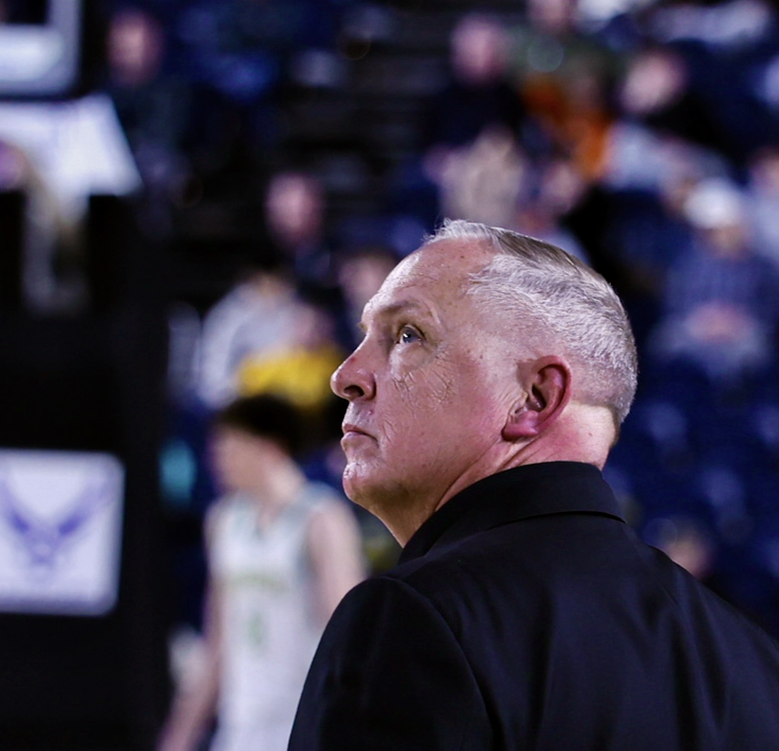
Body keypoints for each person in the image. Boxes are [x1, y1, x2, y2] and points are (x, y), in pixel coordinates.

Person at [289, 220, 779, 750]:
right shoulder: (754, 660)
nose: (345, 375)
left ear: (535, 399)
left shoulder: (412, 618)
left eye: (409, 335)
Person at [158, 394, 364, 751]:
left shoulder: (321, 518)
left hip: (302, 722)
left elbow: (349, 637)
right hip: (240, 726)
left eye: (229, 447)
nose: (217, 460)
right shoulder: (224, 520)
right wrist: (180, 735)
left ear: (269, 448)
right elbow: (216, 640)